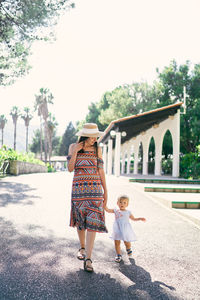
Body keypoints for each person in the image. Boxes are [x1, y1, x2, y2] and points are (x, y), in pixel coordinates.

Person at [67, 123, 108, 272]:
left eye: (96, 136)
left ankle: (89, 259)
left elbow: (101, 171)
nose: (95, 139)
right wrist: (76, 152)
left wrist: (106, 192)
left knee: (93, 221)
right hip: (79, 190)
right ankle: (82, 247)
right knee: (80, 221)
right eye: (93, 136)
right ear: (85, 135)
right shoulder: (73, 147)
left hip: (95, 190)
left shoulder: (98, 149)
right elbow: (70, 168)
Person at [105, 195, 146, 262]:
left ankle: (128, 248)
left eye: (124, 203)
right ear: (117, 203)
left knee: (127, 242)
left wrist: (140, 218)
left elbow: (133, 219)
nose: (122, 204)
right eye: (120, 202)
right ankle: (118, 255)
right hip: (117, 229)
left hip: (125, 230)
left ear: (127, 204)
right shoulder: (115, 210)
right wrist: (104, 204)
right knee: (117, 242)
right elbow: (107, 210)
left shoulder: (128, 212)